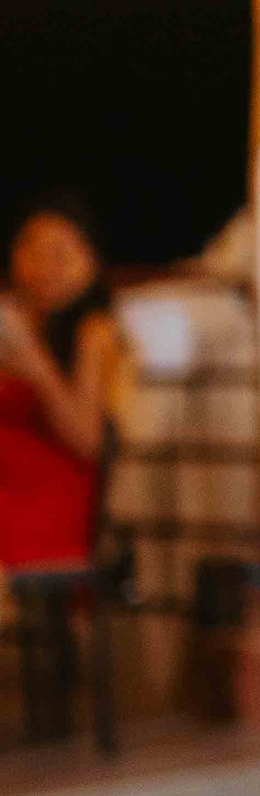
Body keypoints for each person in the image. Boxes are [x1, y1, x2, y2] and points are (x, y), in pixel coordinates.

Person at [0, 194, 123, 573]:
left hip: (45, 520)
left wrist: (34, 362)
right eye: (32, 250)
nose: (45, 267)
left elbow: (87, 440)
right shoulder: (13, 323)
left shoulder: (92, 332)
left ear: (90, 260)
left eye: (60, 253)